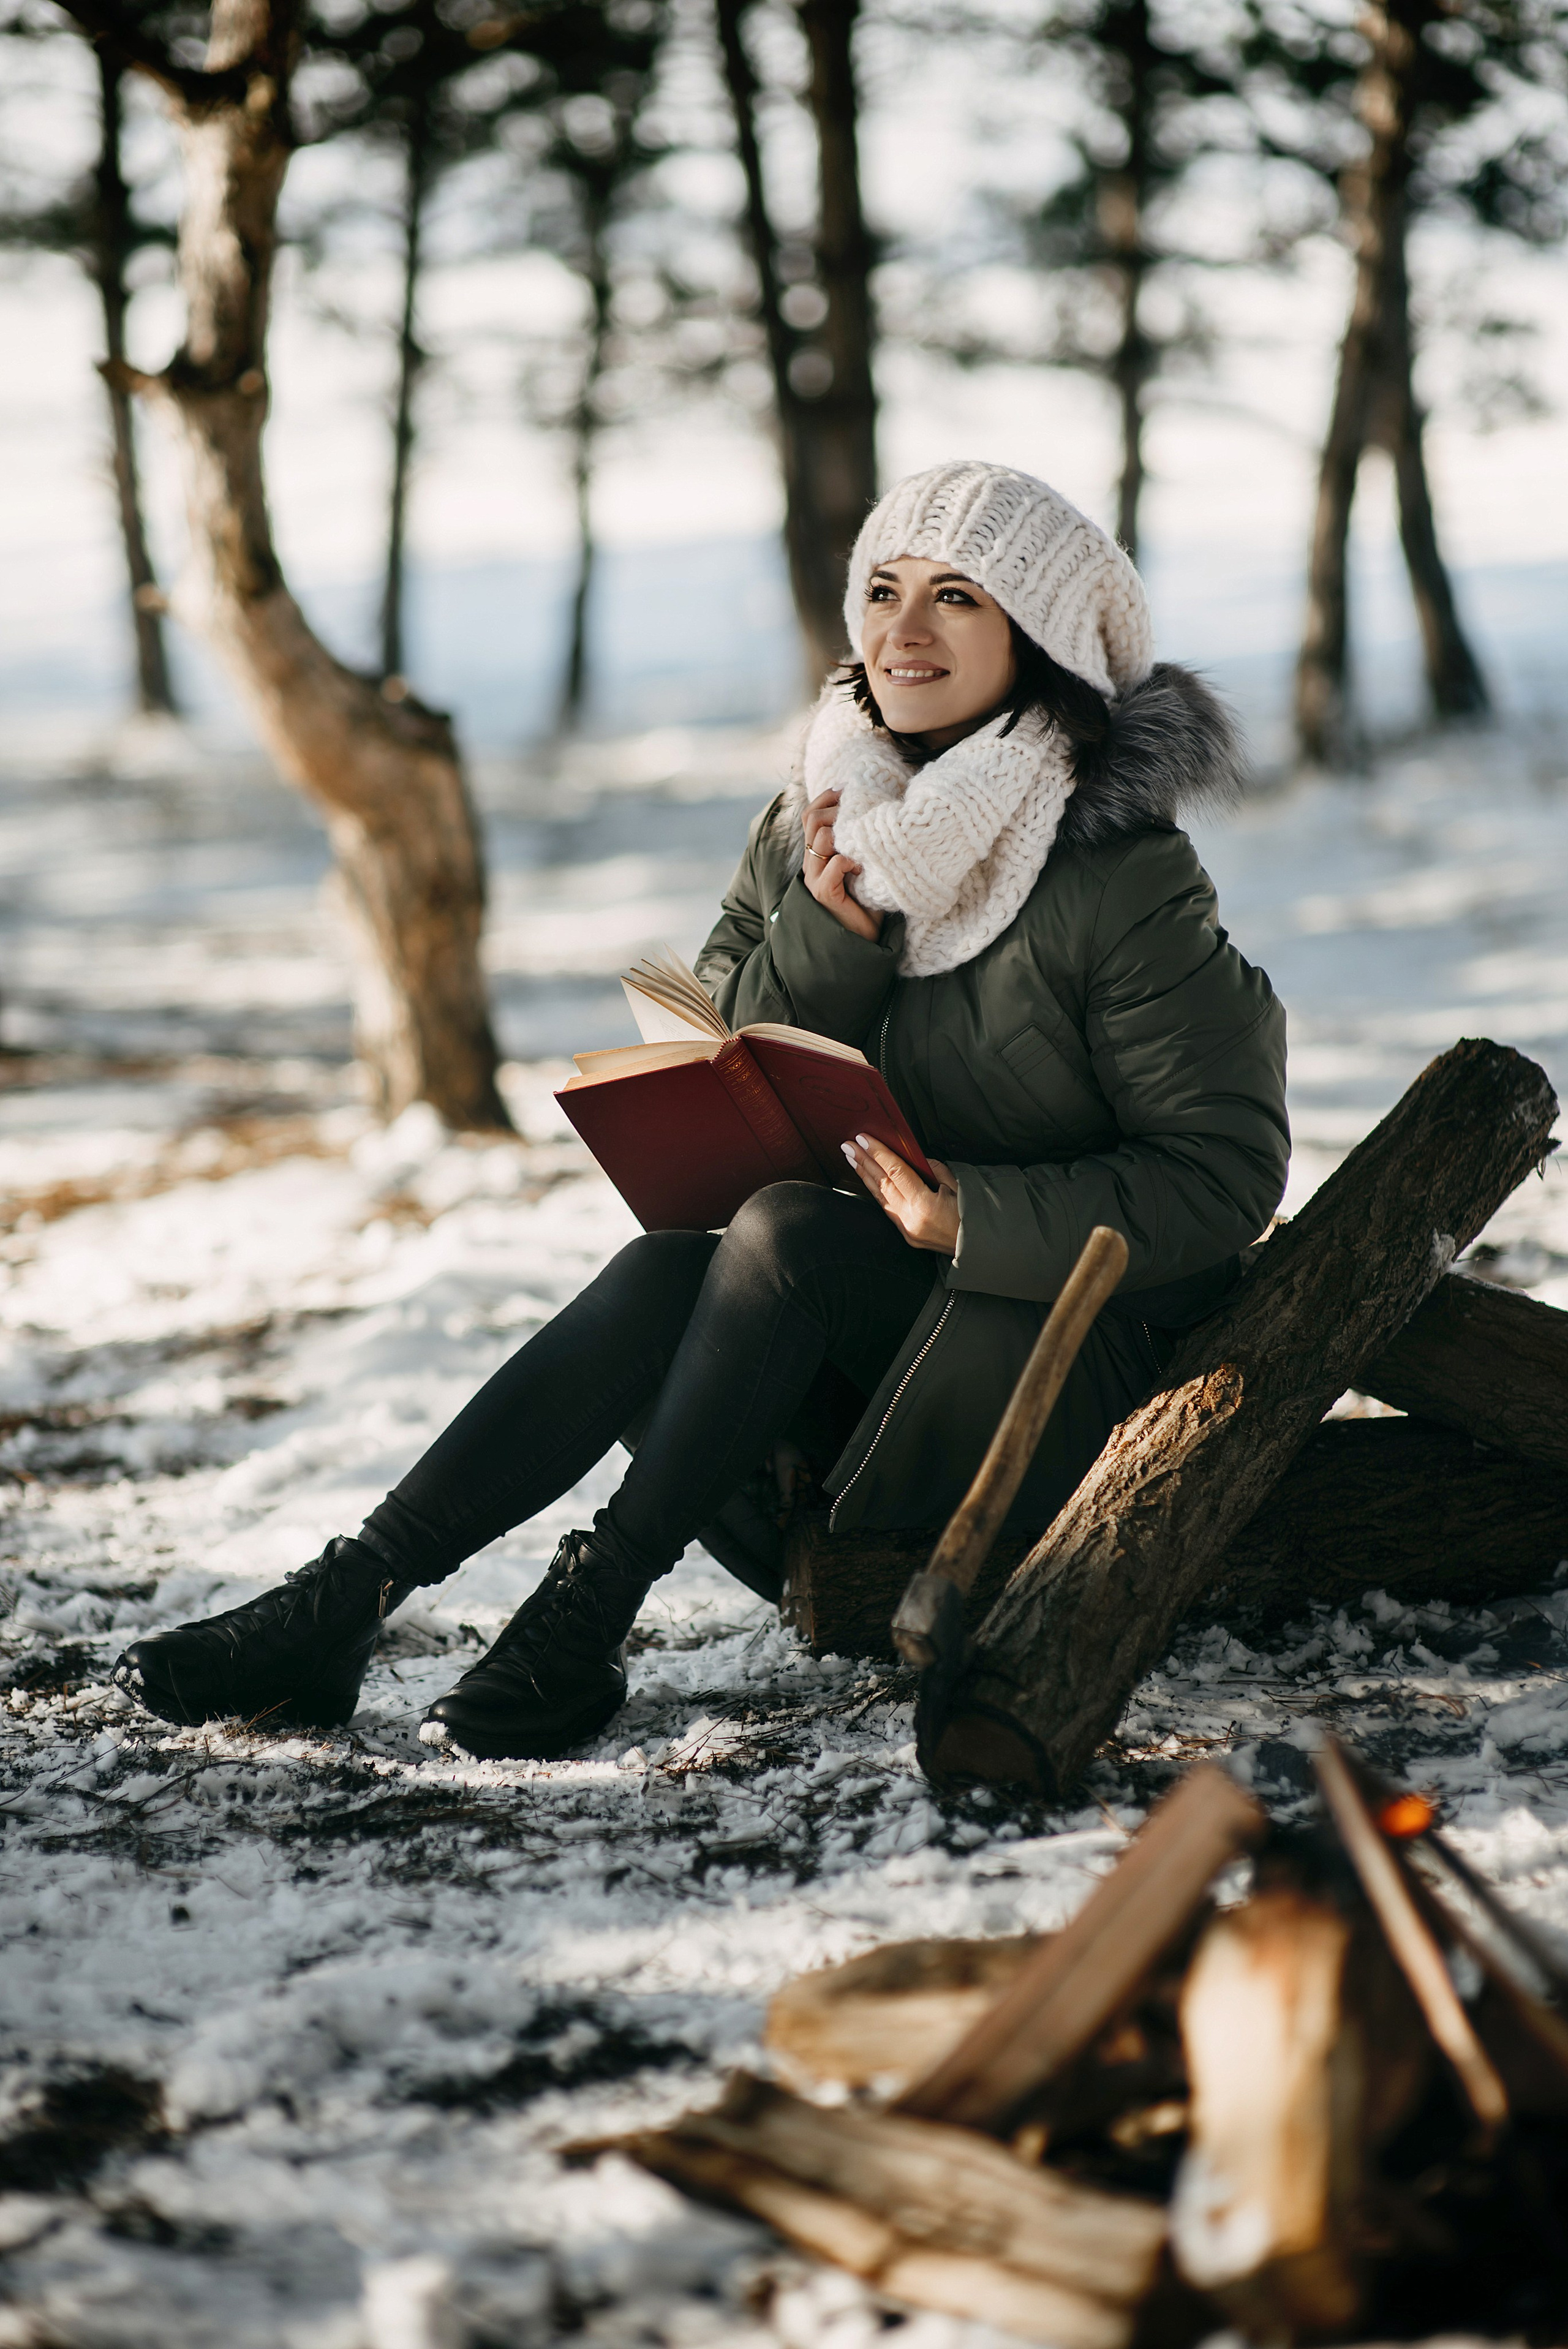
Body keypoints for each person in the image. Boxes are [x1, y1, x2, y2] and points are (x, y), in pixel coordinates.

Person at [113, 462, 1289, 1761]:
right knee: (671, 1268)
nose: (902, 634)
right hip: (844, 1337)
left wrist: (972, 1217)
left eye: (956, 599)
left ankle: (585, 1613)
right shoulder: (816, 820)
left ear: (1043, 638)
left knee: (785, 1235)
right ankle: (345, 1599)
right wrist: (830, 942)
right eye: (883, 591)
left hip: (1066, 1360)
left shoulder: (1118, 872)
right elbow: (722, 1035)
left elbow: (1221, 1175)